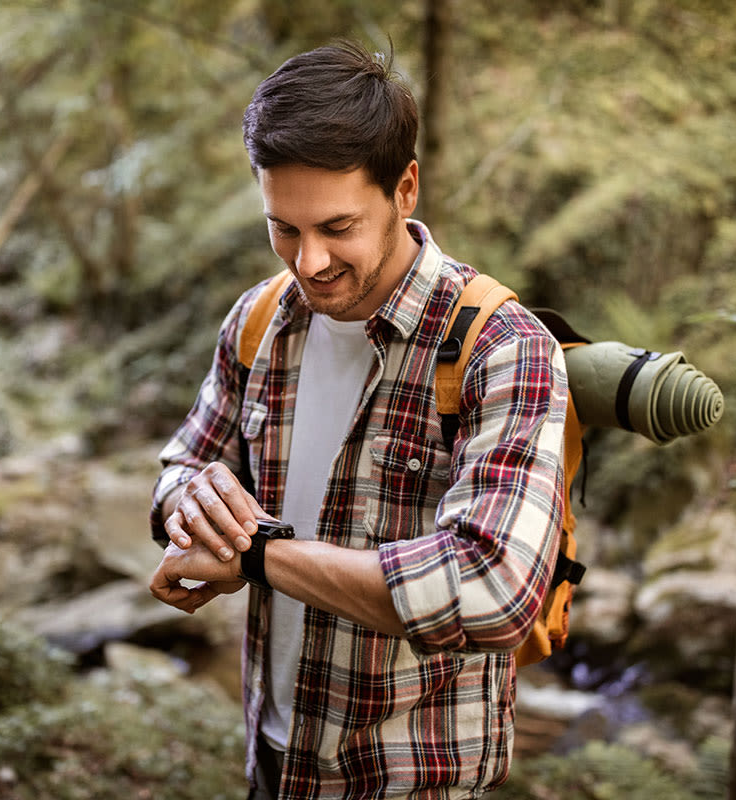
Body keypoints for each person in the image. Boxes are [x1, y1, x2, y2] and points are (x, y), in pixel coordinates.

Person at [149, 40, 567, 800]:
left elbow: (494, 589)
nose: (307, 263)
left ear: (405, 189)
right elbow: (181, 467)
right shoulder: (260, 319)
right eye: (284, 228)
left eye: (337, 227)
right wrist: (192, 505)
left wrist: (254, 556)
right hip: (273, 757)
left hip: (414, 780)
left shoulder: (500, 348)